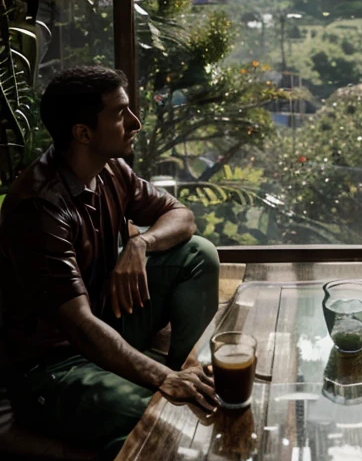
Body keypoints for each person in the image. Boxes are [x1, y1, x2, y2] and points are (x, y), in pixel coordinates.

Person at [0, 66, 220, 460]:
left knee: (196, 253)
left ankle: (190, 372)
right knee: (165, 420)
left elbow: (182, 216)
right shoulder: (39, 206)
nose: (135, 121)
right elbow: (79, 327)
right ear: (83, 133)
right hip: (53, 367)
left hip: (108, 322)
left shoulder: (111, 170)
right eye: (121, 114)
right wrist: (163, 379)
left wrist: (141, 245)